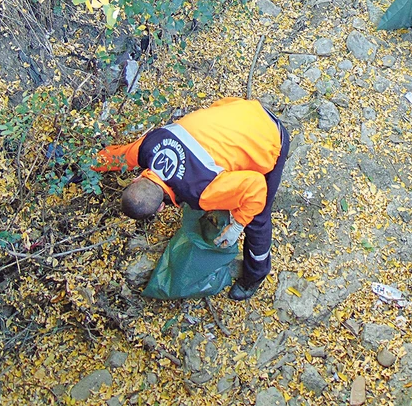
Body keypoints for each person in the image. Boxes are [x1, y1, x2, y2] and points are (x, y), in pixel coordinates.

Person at [93, 97, 289, 301]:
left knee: (257, 216)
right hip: (239, 109)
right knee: (227, 183)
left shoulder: (202, 191)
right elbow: (117, 157)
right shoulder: (148, 146)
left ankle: (255, 276)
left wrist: (238, 225)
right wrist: (87, 163)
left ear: (161, 207)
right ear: (135, 179)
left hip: (272, 137)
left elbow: (256, 187)